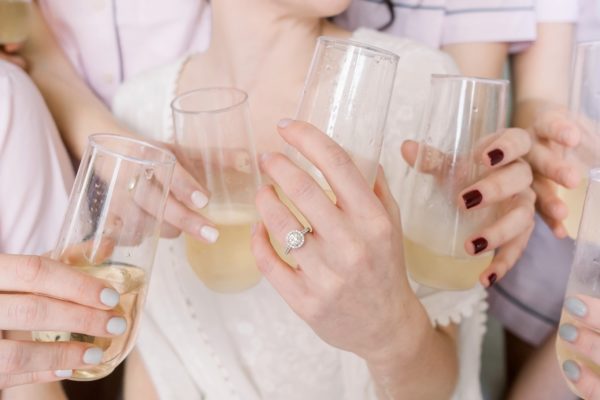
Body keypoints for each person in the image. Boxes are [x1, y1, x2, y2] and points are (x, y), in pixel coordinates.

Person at [106, 0, 535, 398]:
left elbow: (443, 384)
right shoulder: (135, 112)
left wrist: (391, 334)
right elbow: (154, 361)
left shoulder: (417, 81)